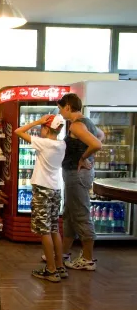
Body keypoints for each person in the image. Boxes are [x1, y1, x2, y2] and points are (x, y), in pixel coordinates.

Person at [15, 114, 66, 282]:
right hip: (56, 189)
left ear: (46, 128)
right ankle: (60, 266)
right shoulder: (61, 144)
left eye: (42, 127)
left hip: (42, 190)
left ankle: (51, 270)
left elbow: (18, 131)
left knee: (44, 231)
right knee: (54, 229)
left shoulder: (43, 143)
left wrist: (37, 121)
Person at [57, 93, 103, 270]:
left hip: (76, 175)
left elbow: (97, 144)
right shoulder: (87, 122)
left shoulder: (76, 126)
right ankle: (64, 253)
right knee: (69, 212)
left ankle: (88, 259)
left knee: (81, 213)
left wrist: (83, 157)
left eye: (61, 108)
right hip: (75, 175)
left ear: (68, 106)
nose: (60, 112)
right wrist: (87, 155)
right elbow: (101, 135)